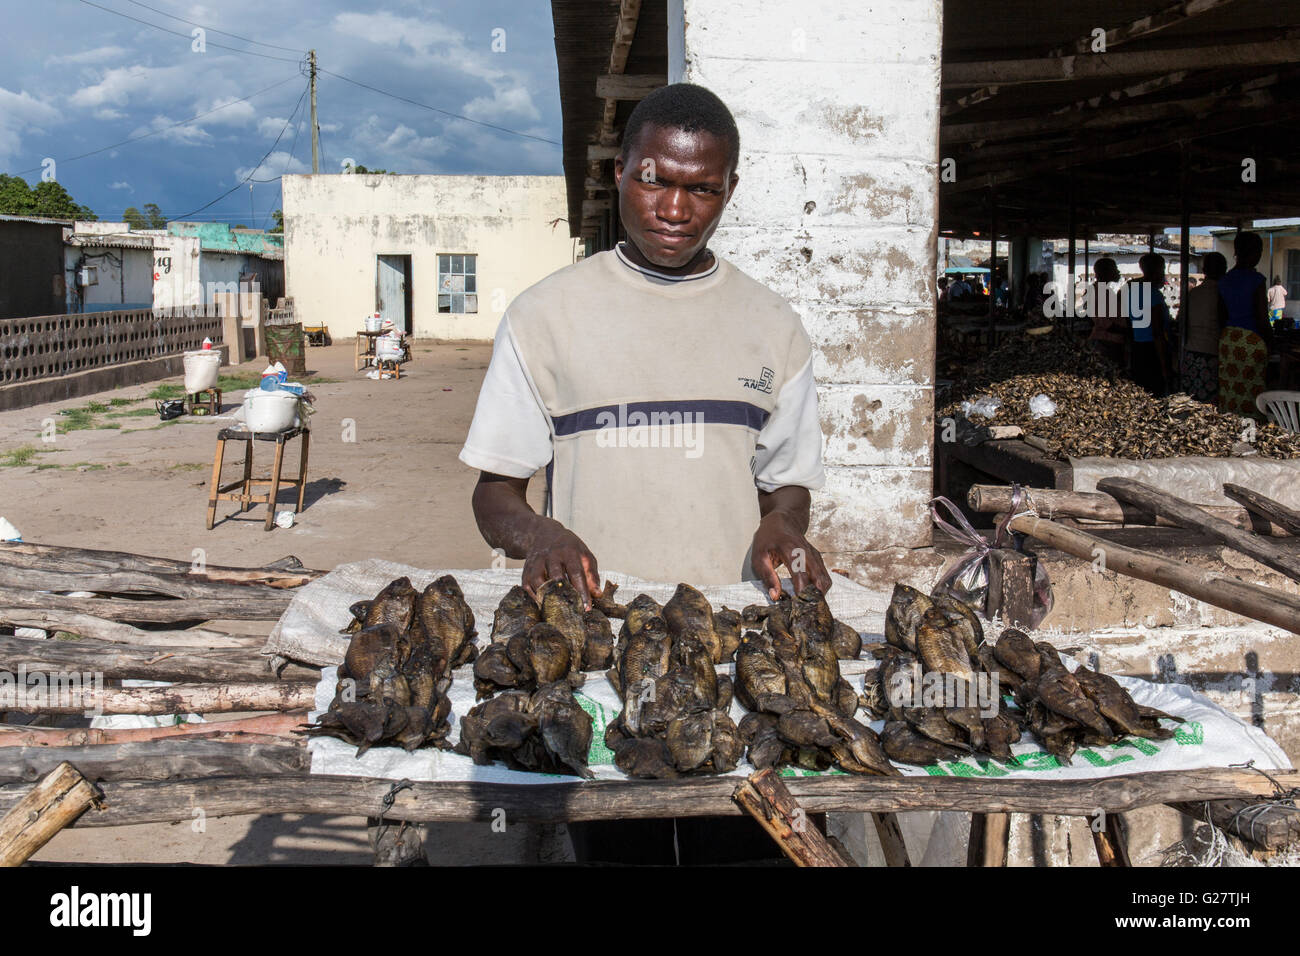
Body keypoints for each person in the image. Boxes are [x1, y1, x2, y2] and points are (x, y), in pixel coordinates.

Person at [459, 83, 830, 864]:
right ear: (620, 171)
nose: (675, 207)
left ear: (730, 190)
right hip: (601, 654)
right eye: (655, 179)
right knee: (621, 853)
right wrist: (540, 532)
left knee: (744, 847)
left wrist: (782, 526)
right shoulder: (544, 316)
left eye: (702, 188)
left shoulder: (773, 326)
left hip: (733, 649)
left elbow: (786, 483)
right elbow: (495, 492)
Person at [1216, 232, 1272, 417]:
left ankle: (1229, 430)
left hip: (1229, 342)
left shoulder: (1224, 280)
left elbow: (1221, 315)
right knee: (1251, 396)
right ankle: (1250, 434)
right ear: (1254, 252)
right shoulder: (1257, 281)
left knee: (1230, 393)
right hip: (1251, 343)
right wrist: (1271, 343)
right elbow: (1262, 318)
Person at [1179, 252, 1227, 404]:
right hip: (1214, 355)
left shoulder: (1193, 293)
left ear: (1204, 270)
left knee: (1194, 405)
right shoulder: (1223, 293)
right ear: (1224, 270)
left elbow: (1181, 321)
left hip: (1192, 355)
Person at [1123, 253, 1171, 396]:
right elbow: (1157, 332)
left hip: (1137, 347)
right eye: (1162, 270)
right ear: (1157, 271)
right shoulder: (1153, 294)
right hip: (1152, 350)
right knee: (1155, 393)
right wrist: (1164, 368)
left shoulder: (1132, 290)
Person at [1086, 257, 1125, 368]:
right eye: (1115, 268)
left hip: (1111, 341)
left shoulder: (1106, 291)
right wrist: (1125, 330)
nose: (1118, 272)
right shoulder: (1097, 291)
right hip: (1105, 342)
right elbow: (1101, 321)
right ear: (1106, 272)